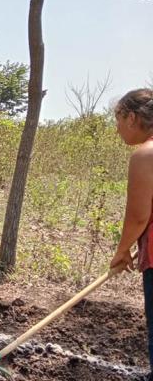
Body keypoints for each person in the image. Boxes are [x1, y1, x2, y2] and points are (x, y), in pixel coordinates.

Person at [108, 88, 153, 380]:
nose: (117, 128)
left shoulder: (145, 155)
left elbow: (138, 216)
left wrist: (122, 251)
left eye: (119, 119)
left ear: (133, 117)